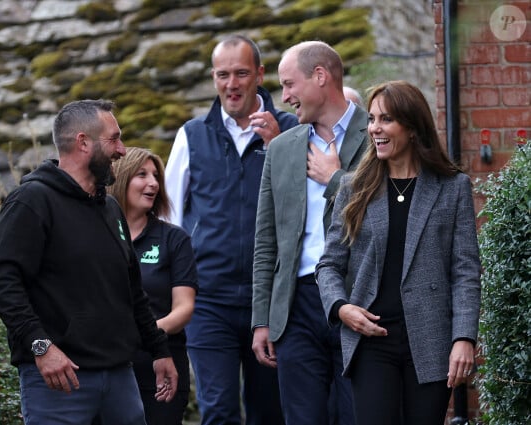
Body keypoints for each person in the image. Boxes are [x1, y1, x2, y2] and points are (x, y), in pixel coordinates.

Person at [0, 99, 178, 425]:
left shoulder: (110, 208)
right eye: (114, 138)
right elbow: (2, 282)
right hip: (60, 381)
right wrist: (41, 346)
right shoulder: (31, 201)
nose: (121, 149)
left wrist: (159, 349)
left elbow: (131, 289)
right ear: (83, 143)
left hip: (119, 377)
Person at [315, 80, 481, 425]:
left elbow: (465, 271)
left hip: (431, 338)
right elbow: (329, 264)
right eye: (372, 119)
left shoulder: (452, 188)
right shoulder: (353, 187)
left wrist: (463, 337)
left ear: (411, 126)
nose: (374, 128)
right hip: (370, 340)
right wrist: (341, 307)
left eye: (385, 119)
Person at [164, 34, 298, 425]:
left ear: (259, 74)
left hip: (273, 302)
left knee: (269, 414)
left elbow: (311, 203)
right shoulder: (192, 135)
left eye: (241, 73)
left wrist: (278, 145)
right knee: (218, 411)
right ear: (213, 77)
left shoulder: (290, 128)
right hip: (209, 301)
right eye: (223, 75)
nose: (232, 84)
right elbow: (168, 217)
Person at [252, 40, 367, 425]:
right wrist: (262, 318)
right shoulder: (282, 149)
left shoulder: (378, 135)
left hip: (359, 296)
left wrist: (337, 179)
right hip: (296, 305)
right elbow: (266, 240)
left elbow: (392, 214)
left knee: (358, 415)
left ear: (320, 76)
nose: (283, 98)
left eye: (288, 85)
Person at [107, 147, 198, 425]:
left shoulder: (174, 239)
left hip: (161, 365)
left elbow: (184, 309)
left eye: (156, 175)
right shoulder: (98, 234)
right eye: (142, 175)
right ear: (121, 179)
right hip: (107, 366)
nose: (154, 183)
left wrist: (144, 333)